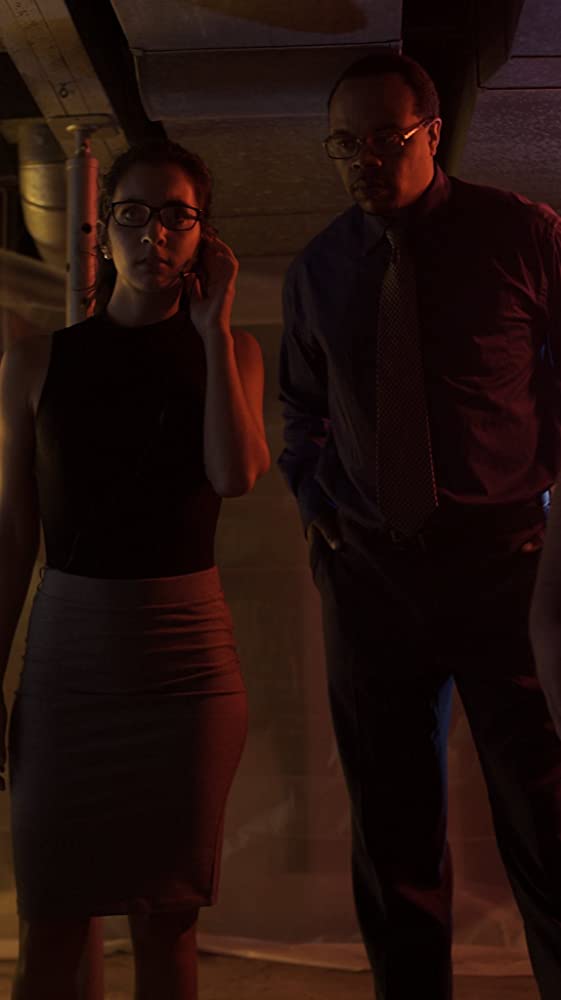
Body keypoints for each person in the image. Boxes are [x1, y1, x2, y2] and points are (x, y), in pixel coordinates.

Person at [278, 50, 561, 1000]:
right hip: (373, 575)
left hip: (506, 568)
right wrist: (320, 515)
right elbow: (301, 411)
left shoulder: (520, 236)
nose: (362, 159)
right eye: (343, 144)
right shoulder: (320, 268)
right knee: (391, 835)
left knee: (547, 819)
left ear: (431, 134)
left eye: (383, 139)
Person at [0, 138, 270, 1000]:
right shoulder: (37, 360)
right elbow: (13, 531)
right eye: (132, 214)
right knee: (51, 920)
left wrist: (213, 329)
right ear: (103, 229)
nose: (153, 234)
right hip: (69, 661)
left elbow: (235, 476)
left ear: (203, 235)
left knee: (166, 921)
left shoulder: (229, 352)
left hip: (184, 662)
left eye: (175, 216)